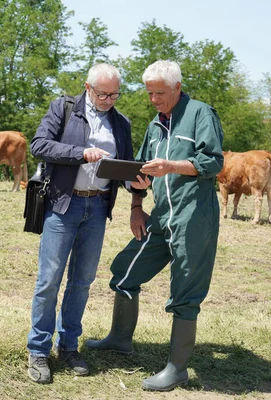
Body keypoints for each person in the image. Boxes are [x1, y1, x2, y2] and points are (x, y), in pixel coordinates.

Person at [85, 60, 224, 392]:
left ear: (177, 87)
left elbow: (213, 162)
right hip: (160, 217)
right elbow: (141, 174)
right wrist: (136, 207)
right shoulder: (154, 126)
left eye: (159, 93)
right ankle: (120, 341)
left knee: (185, 290)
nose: (154, 99)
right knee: (123, 270)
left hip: (194, 218)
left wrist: (172, 165)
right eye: (149, 93)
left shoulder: (201, 114)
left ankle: (177, 369)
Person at [26, 63, 134, 384]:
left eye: (114, 94)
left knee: (82, 281)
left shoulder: (122, 122)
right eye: (102, 93)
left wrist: (137, 180)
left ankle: (69, 347)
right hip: (63, 204)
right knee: (49, 281)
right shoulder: (63, 108)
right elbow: (39, 145)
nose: (108, 99)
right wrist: (80, 153)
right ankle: (38, 351)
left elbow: (125, 166)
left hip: (97, 208)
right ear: (88, 87)